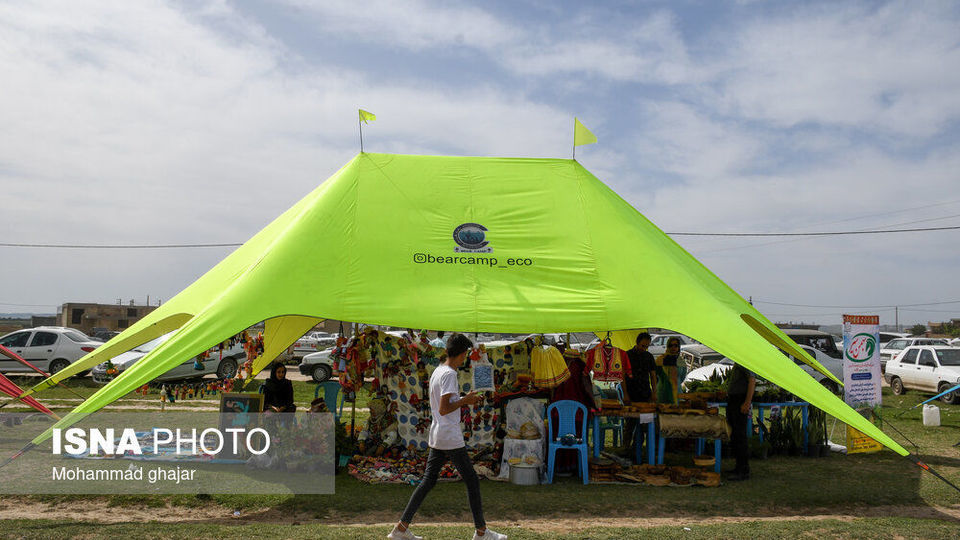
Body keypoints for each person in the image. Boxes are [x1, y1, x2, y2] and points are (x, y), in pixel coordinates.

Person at [389, 334, 507, 540]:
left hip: (438, 434)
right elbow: (445, 408)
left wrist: (463, 399)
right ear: (461, 354)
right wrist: (466, 400)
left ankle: (400, 529)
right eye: (465, 356)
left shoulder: (438, 371)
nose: (465, 360)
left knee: (428, 482)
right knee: (471, 480)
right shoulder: (450, 374)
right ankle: (481, 532)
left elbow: (443, 405)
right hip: (449, 435)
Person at [549, 348, 596, 473]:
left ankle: (559, 467)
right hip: (578, 412)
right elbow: (587, 388)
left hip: (557, 411)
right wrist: (594, 404)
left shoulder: (559, 365)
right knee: (577, 436)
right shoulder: (581, 367)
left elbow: (552, 388)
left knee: (558, 435)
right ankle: (576, 466)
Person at [622, 332, 657, 453]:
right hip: (631, 395)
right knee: (629, 424)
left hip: (645, 395)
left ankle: (637, 449)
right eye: (643, 346)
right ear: (637, 343)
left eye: (647, 346)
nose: (645, 349)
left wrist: (654, 392)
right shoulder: (627, 355)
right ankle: (626, 449)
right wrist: (625, 394)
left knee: (644, 424)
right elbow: (622, 376)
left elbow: (653, 376)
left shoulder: (649, 356)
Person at [725, 362, 756, 481]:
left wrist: (747, 402)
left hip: (740, 400)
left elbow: (752, 380)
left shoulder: (744, 362)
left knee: (740, 435)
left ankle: (743, 470)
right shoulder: (738, 362)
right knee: (735, 435)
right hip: (733, 399)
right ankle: (738, 466)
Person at [655, 337, 682, 404]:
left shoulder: (680, 361)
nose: (673, 347)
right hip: (663, 394)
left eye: (675, 345)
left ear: (678, 347)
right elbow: (655, 376)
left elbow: (682, 377)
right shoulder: (660, 359)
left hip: (677, 394)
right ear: (667, 346)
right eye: (670, 345)